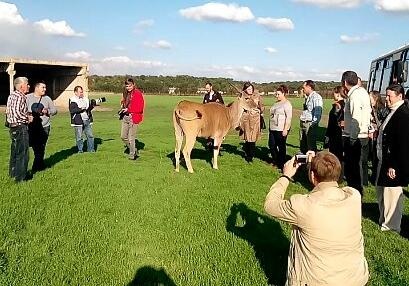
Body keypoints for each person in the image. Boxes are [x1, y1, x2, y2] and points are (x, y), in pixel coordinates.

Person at [264, 151, 369, 285]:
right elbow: (323, 186)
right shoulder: (353, 196)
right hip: (356, 279)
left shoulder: (302, 205)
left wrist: (286, 176)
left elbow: (270, 205)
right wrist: (318, 163)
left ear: (313, 176)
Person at [375, 84, 409, 233]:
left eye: (390, 96)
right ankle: (384, 219)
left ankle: (392, 226)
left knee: (392, 194)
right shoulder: (393, 111)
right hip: (385, 160)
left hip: (394, 164)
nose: (386, 98)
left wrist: (393, 165)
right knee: (382, 191)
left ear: (400, 96)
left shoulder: (403, 115)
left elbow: (402, 143)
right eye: (386, 95)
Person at [341, 71, 372, 194]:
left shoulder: (354, 95)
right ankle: (357, 192)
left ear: (344, 82)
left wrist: (352, 139)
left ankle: (355, 194)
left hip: (356, 136)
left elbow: (356, 118)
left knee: (352, 169)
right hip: (362, 135)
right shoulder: (363, 92)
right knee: (357, 167)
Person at [26, 81, 57, 172]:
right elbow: (22, 109)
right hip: (31, 127)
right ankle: (39, 165)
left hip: (44, 127)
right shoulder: (28, 97)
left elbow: (54, 110)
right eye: (43, 87)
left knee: (41, 147)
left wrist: (48, 111)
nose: (45, 89)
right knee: (35, 147)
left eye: (45, 87)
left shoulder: (47, 98)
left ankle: (37, 168)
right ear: (36, 88)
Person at [6, 77, 32, 182]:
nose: (29, 86)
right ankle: (21, 177)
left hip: (13, 127)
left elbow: (8, 111)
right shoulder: (20, 96)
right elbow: (17, 113)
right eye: (27, 84)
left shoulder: (11, 95)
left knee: (15, 151)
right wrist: (28, 118)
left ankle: (13, 173)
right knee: (23, 152)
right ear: (22, 86)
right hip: (20, 127)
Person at [119, 78, 145, 160]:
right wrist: (123, 107)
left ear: (133, 85)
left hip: (133, 117)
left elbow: (140, 108)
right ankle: (134, 149)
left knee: (131, 137)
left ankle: (132, 154)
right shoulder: (126, 93)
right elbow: (124, 103)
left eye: (130, 86)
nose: (128, 87)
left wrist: (129, 110)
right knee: (123, 136)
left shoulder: (138, 94)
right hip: (125, 117)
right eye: (127, 86)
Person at [268, 84, 292, 169]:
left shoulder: (287, 104)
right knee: (271, 145)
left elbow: (288, 117)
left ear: (283, 94)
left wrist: (285, 129)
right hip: (273, 128)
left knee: (281, 146)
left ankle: (281, 163)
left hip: (281, 129)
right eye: (276, 94)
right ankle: (275, 160)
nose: (276, 96)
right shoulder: (276, 103)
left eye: (278, 94)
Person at [239, 82, 264, 162]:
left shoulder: (257, 96)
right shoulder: (242, 96)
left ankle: (251, 156)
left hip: (255, 119)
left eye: (251, 88)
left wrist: (259, 111)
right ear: (245, 89)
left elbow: (262, 106)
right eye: (248, 89)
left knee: (253, 138)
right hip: (246, 118)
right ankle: (247, 153)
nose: (250, 90)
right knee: (247, 137)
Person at [368, 90, 389, 183]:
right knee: (373, 156)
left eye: (370, 97)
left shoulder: (381, 109)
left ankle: (376, 177)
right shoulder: (372, 108)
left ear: (375, 98)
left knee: (377, 157)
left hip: (379, 136)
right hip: (373, 135)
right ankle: (374, 176)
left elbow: (383, 124)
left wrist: (374, 125)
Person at [69, 86, 96, 153]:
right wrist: (81, 109)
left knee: (90, 135)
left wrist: (92, 105)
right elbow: (72, 110)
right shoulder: (72, 100)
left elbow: (88, 109)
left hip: (87, 119)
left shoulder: (85, 99)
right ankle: (80, 150)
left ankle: (91, 149)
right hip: (78, 121)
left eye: (82, 92)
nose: (81, 93)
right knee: (79, 137)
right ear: (75, 92)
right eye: (80, 92)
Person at [299, 80, 323, 153]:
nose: (303, 89)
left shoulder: (316, 97)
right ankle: (304, 162)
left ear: (309, 87)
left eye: (304, 87)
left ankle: (311, 163)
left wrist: (314, 124)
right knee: (303, 145)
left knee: (311, 147)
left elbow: (318, 112)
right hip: (304, 124)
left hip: (310, 124)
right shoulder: (308, 97)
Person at [324, 85, 345, 163]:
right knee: (340, 157)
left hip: (335, 135)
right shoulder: (345, 104)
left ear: (338, 94)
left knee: (334, 157)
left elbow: (333, 123)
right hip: (341, 135)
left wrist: (327, 135)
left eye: (334, 93)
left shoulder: (337, 106)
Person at [202, 82, 224, 150]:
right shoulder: (206, 95)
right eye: (206, 88)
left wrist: (218, 102)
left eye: (208, 88)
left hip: (216, 116)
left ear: (211, 87)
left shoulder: (217, 94)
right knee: (208, 129)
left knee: (215, 130)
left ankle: (216, 144)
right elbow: (203, 105)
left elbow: (222, 104)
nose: (207, 89)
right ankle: (209, 143)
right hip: (208, 115)